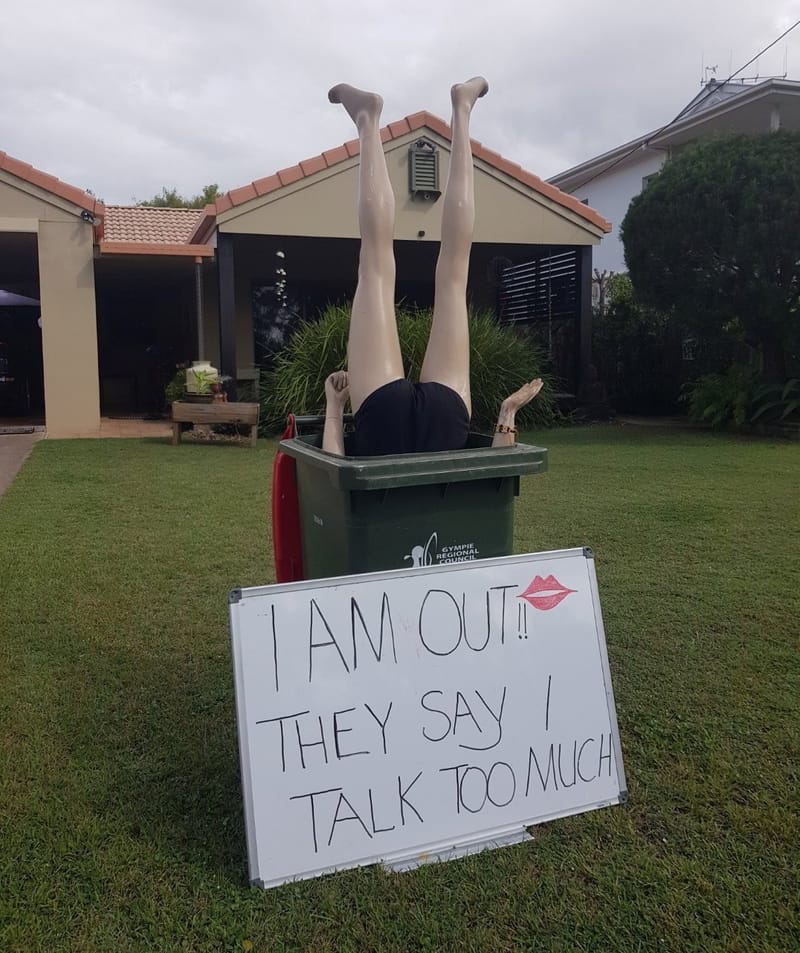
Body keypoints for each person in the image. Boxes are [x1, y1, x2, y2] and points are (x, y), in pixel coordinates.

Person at [321, 78, 543, 457]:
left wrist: (508, 411)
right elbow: (334, 473)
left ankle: (462, 110)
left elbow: (494, 473)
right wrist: (334, 408)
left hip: (446, 418)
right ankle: (366, 119)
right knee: (375, 264)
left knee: (455, 273)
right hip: (383, 417)